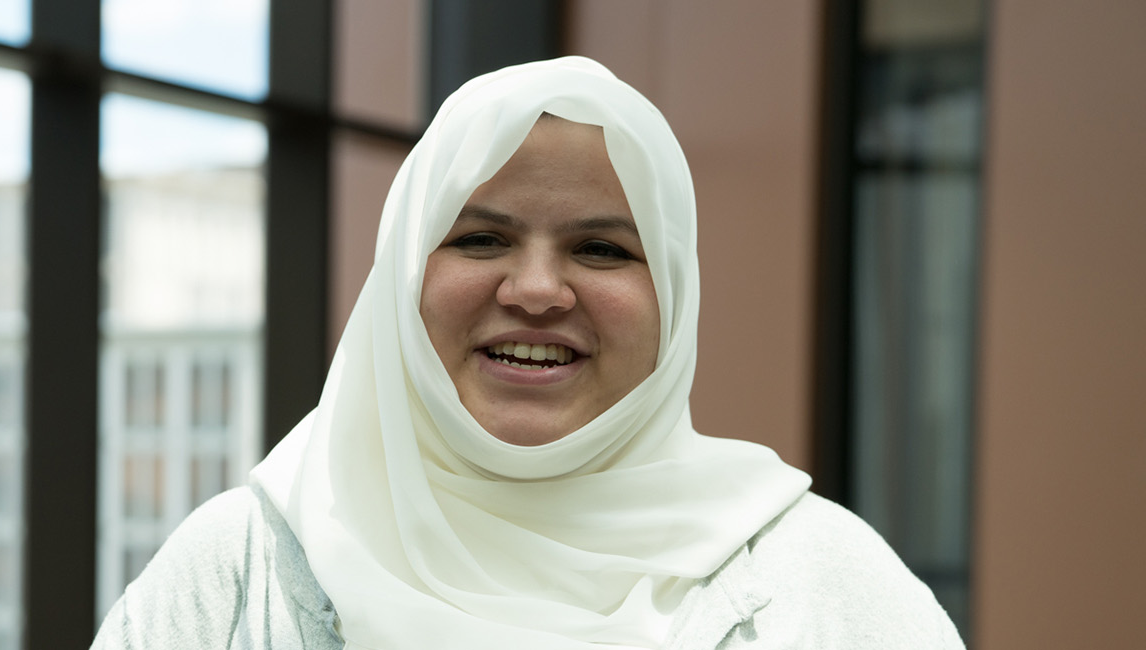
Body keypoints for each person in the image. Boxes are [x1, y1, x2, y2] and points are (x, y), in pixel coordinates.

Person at [91, 57, 963, 649]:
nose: (538, 290)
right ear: (403, 276)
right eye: (478, 239)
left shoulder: (821, 587)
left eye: (602, 250)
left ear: (676, 301)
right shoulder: (246, 568)